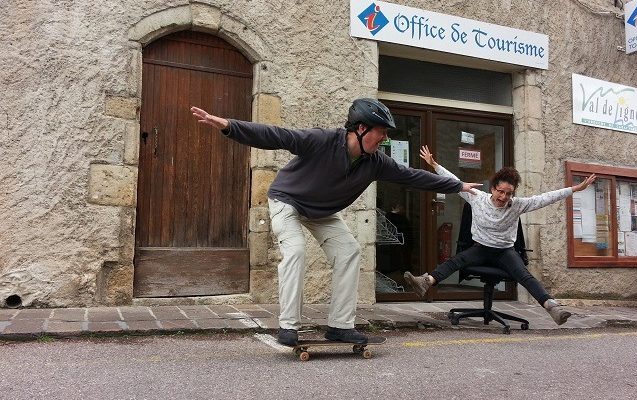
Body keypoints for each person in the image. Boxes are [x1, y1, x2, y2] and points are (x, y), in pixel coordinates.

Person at [190, 99, 482, 346]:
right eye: (381, 132)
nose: (384, 139)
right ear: (360, 128)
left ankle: (340, 326)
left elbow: (413, 176)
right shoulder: (322, 141)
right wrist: (229, 126)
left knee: (349, 252)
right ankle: (288, 327)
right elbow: (277, 135)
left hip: (322, 211)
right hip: (288, 200)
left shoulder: (376, 162)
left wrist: (456, 185)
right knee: (295, 251)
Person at [404, 145, 596, 325]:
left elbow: (545, 198)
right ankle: (425, 282)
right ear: (492, 188)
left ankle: (552, 307)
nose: (504, 197)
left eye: (509, 193)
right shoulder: (476, 197)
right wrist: (434, 165)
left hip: (505, 251)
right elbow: (454, 181)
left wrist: (575, 189)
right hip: (480, 248)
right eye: (500, 192)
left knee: (525, 276)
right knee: (456, 261)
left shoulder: (518, 205)